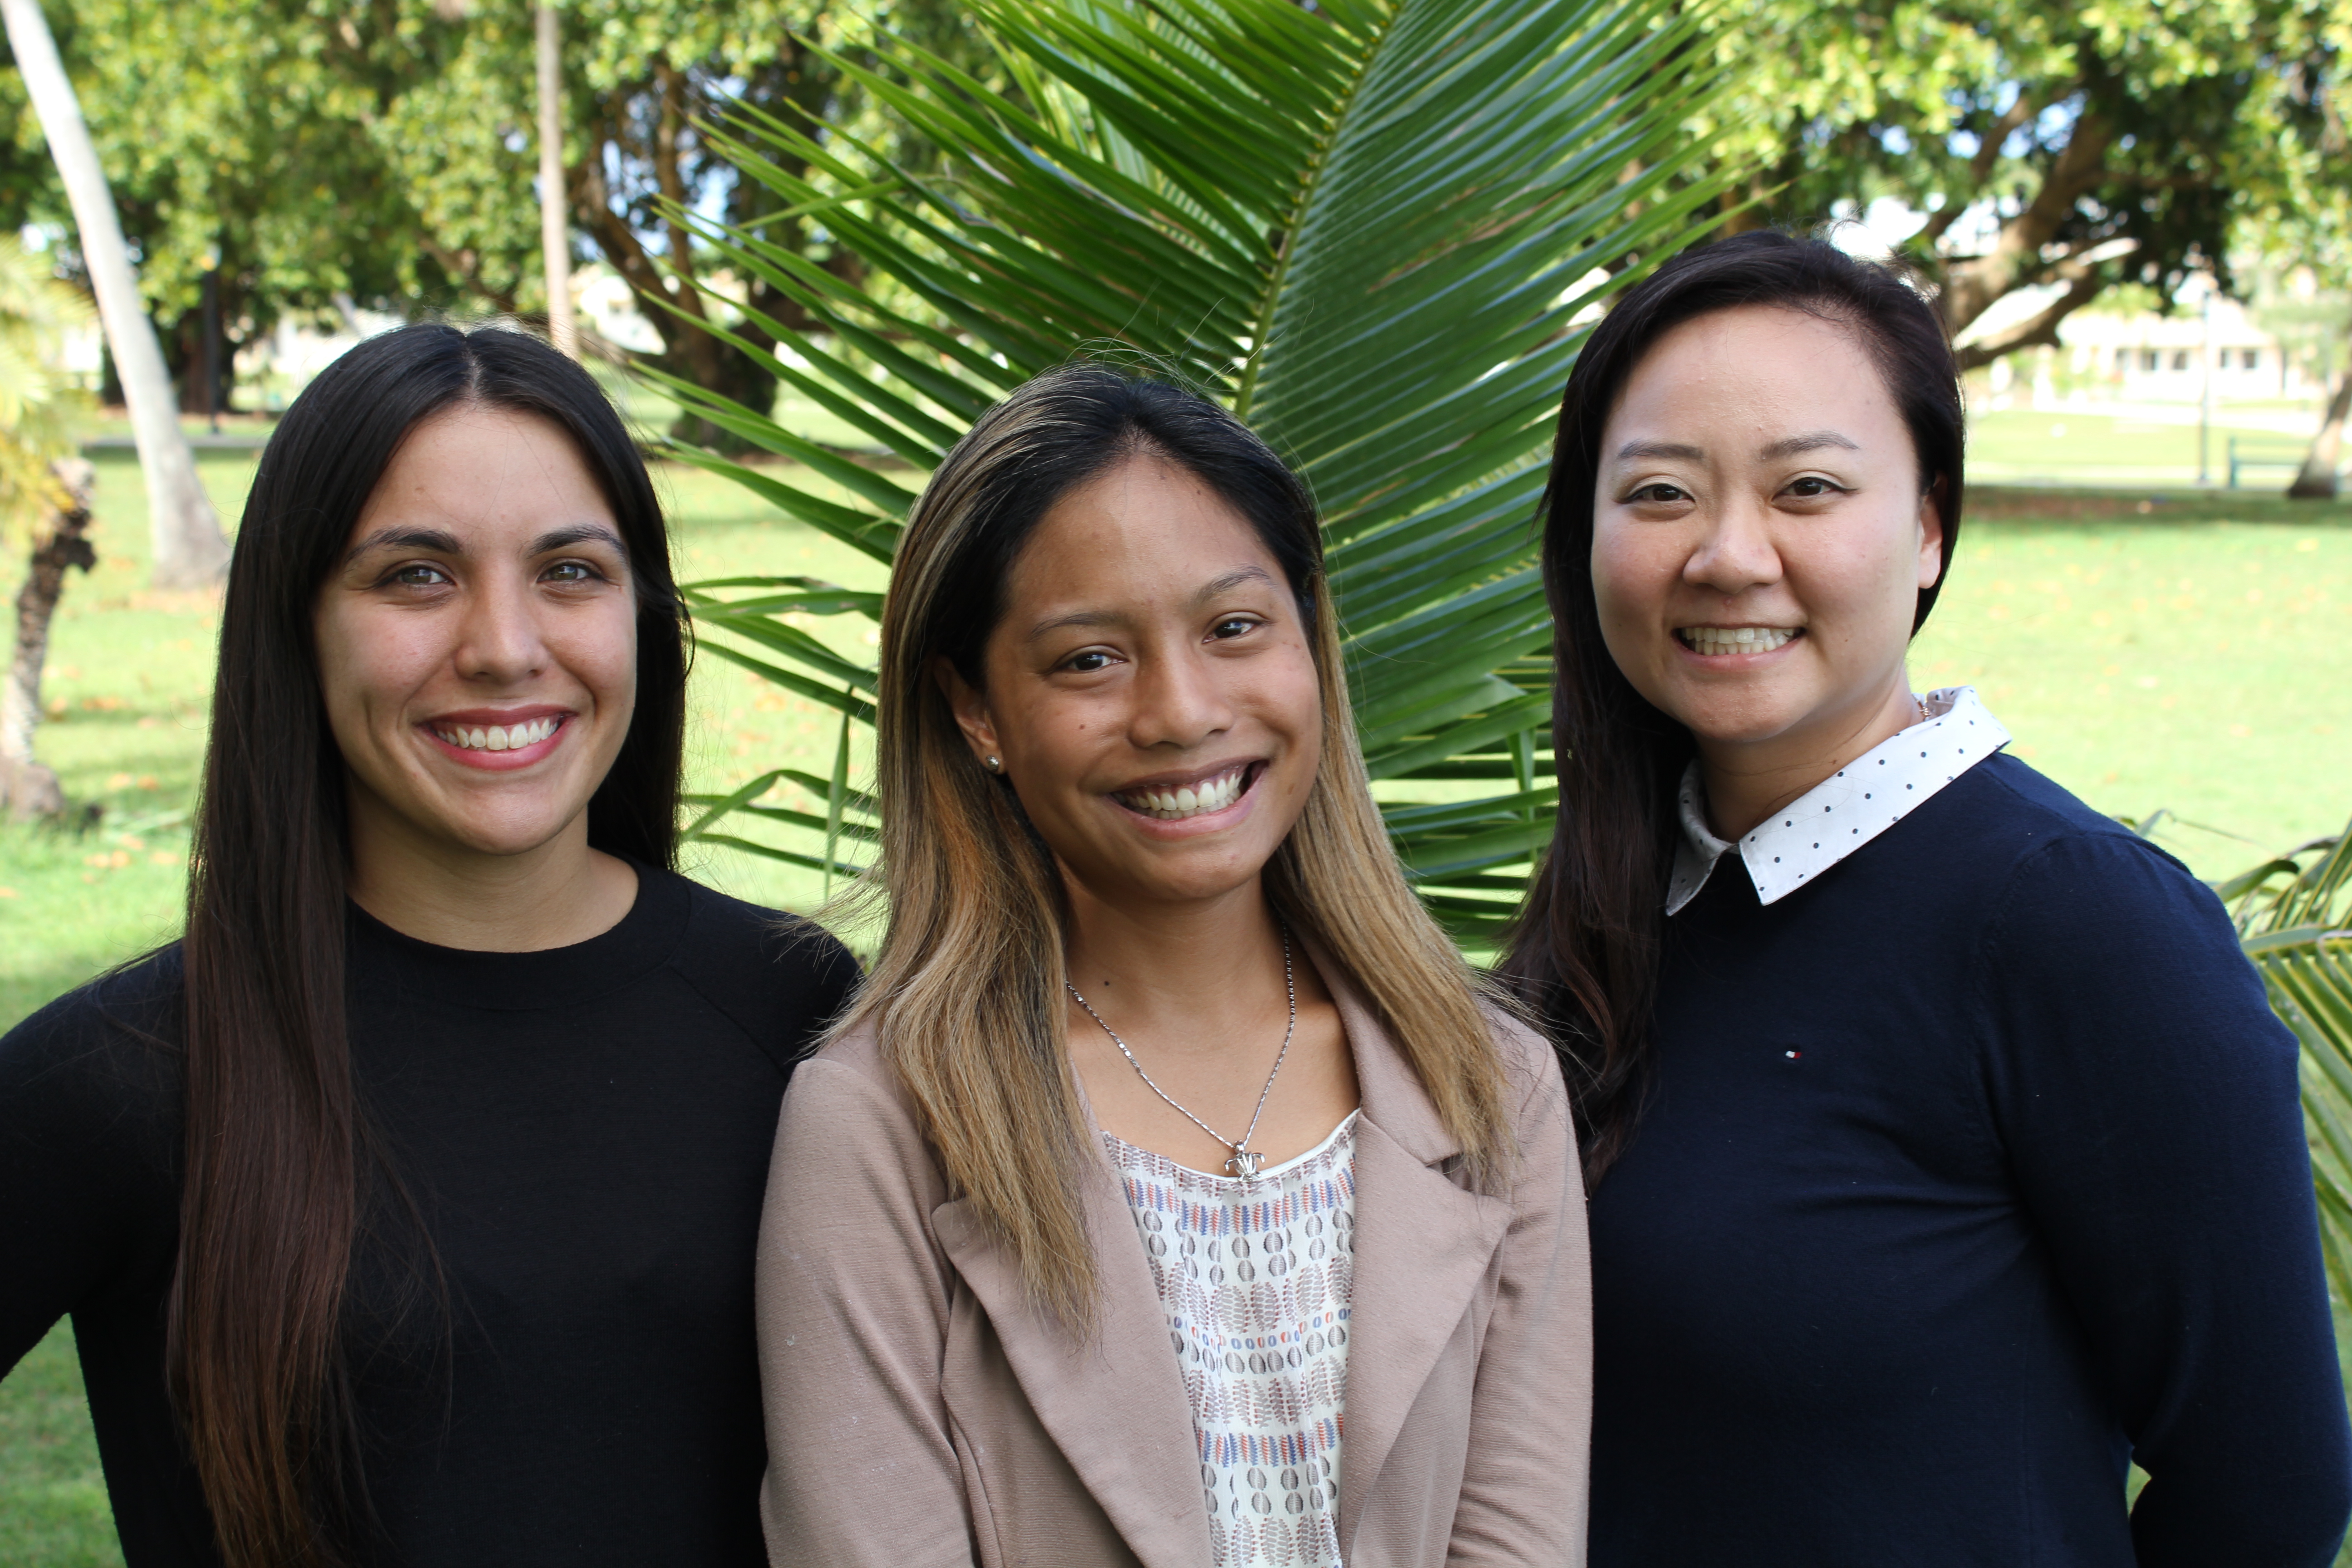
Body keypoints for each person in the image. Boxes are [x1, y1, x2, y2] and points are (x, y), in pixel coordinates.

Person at [1502, 227, 2352, 1565]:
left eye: (1809, 490)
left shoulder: (2079, 926)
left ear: (1930, 529)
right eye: (1661, 492)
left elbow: (2268, 1498)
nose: (1728, 555)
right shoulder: (1614, 898)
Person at [0, 323, 857, 1568]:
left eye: (571, 571)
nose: (506, 647)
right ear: (297, 624)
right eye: (415, 576)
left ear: (644, 618)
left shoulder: (797, 1009)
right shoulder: (130, 1076)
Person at [753, 363, 1587, 1568]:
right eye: (1089, 660)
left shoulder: (1491, 1085)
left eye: (1235, 627)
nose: (1183, 711)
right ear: (976, 711)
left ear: (1311, 640)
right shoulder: (880, 1125)